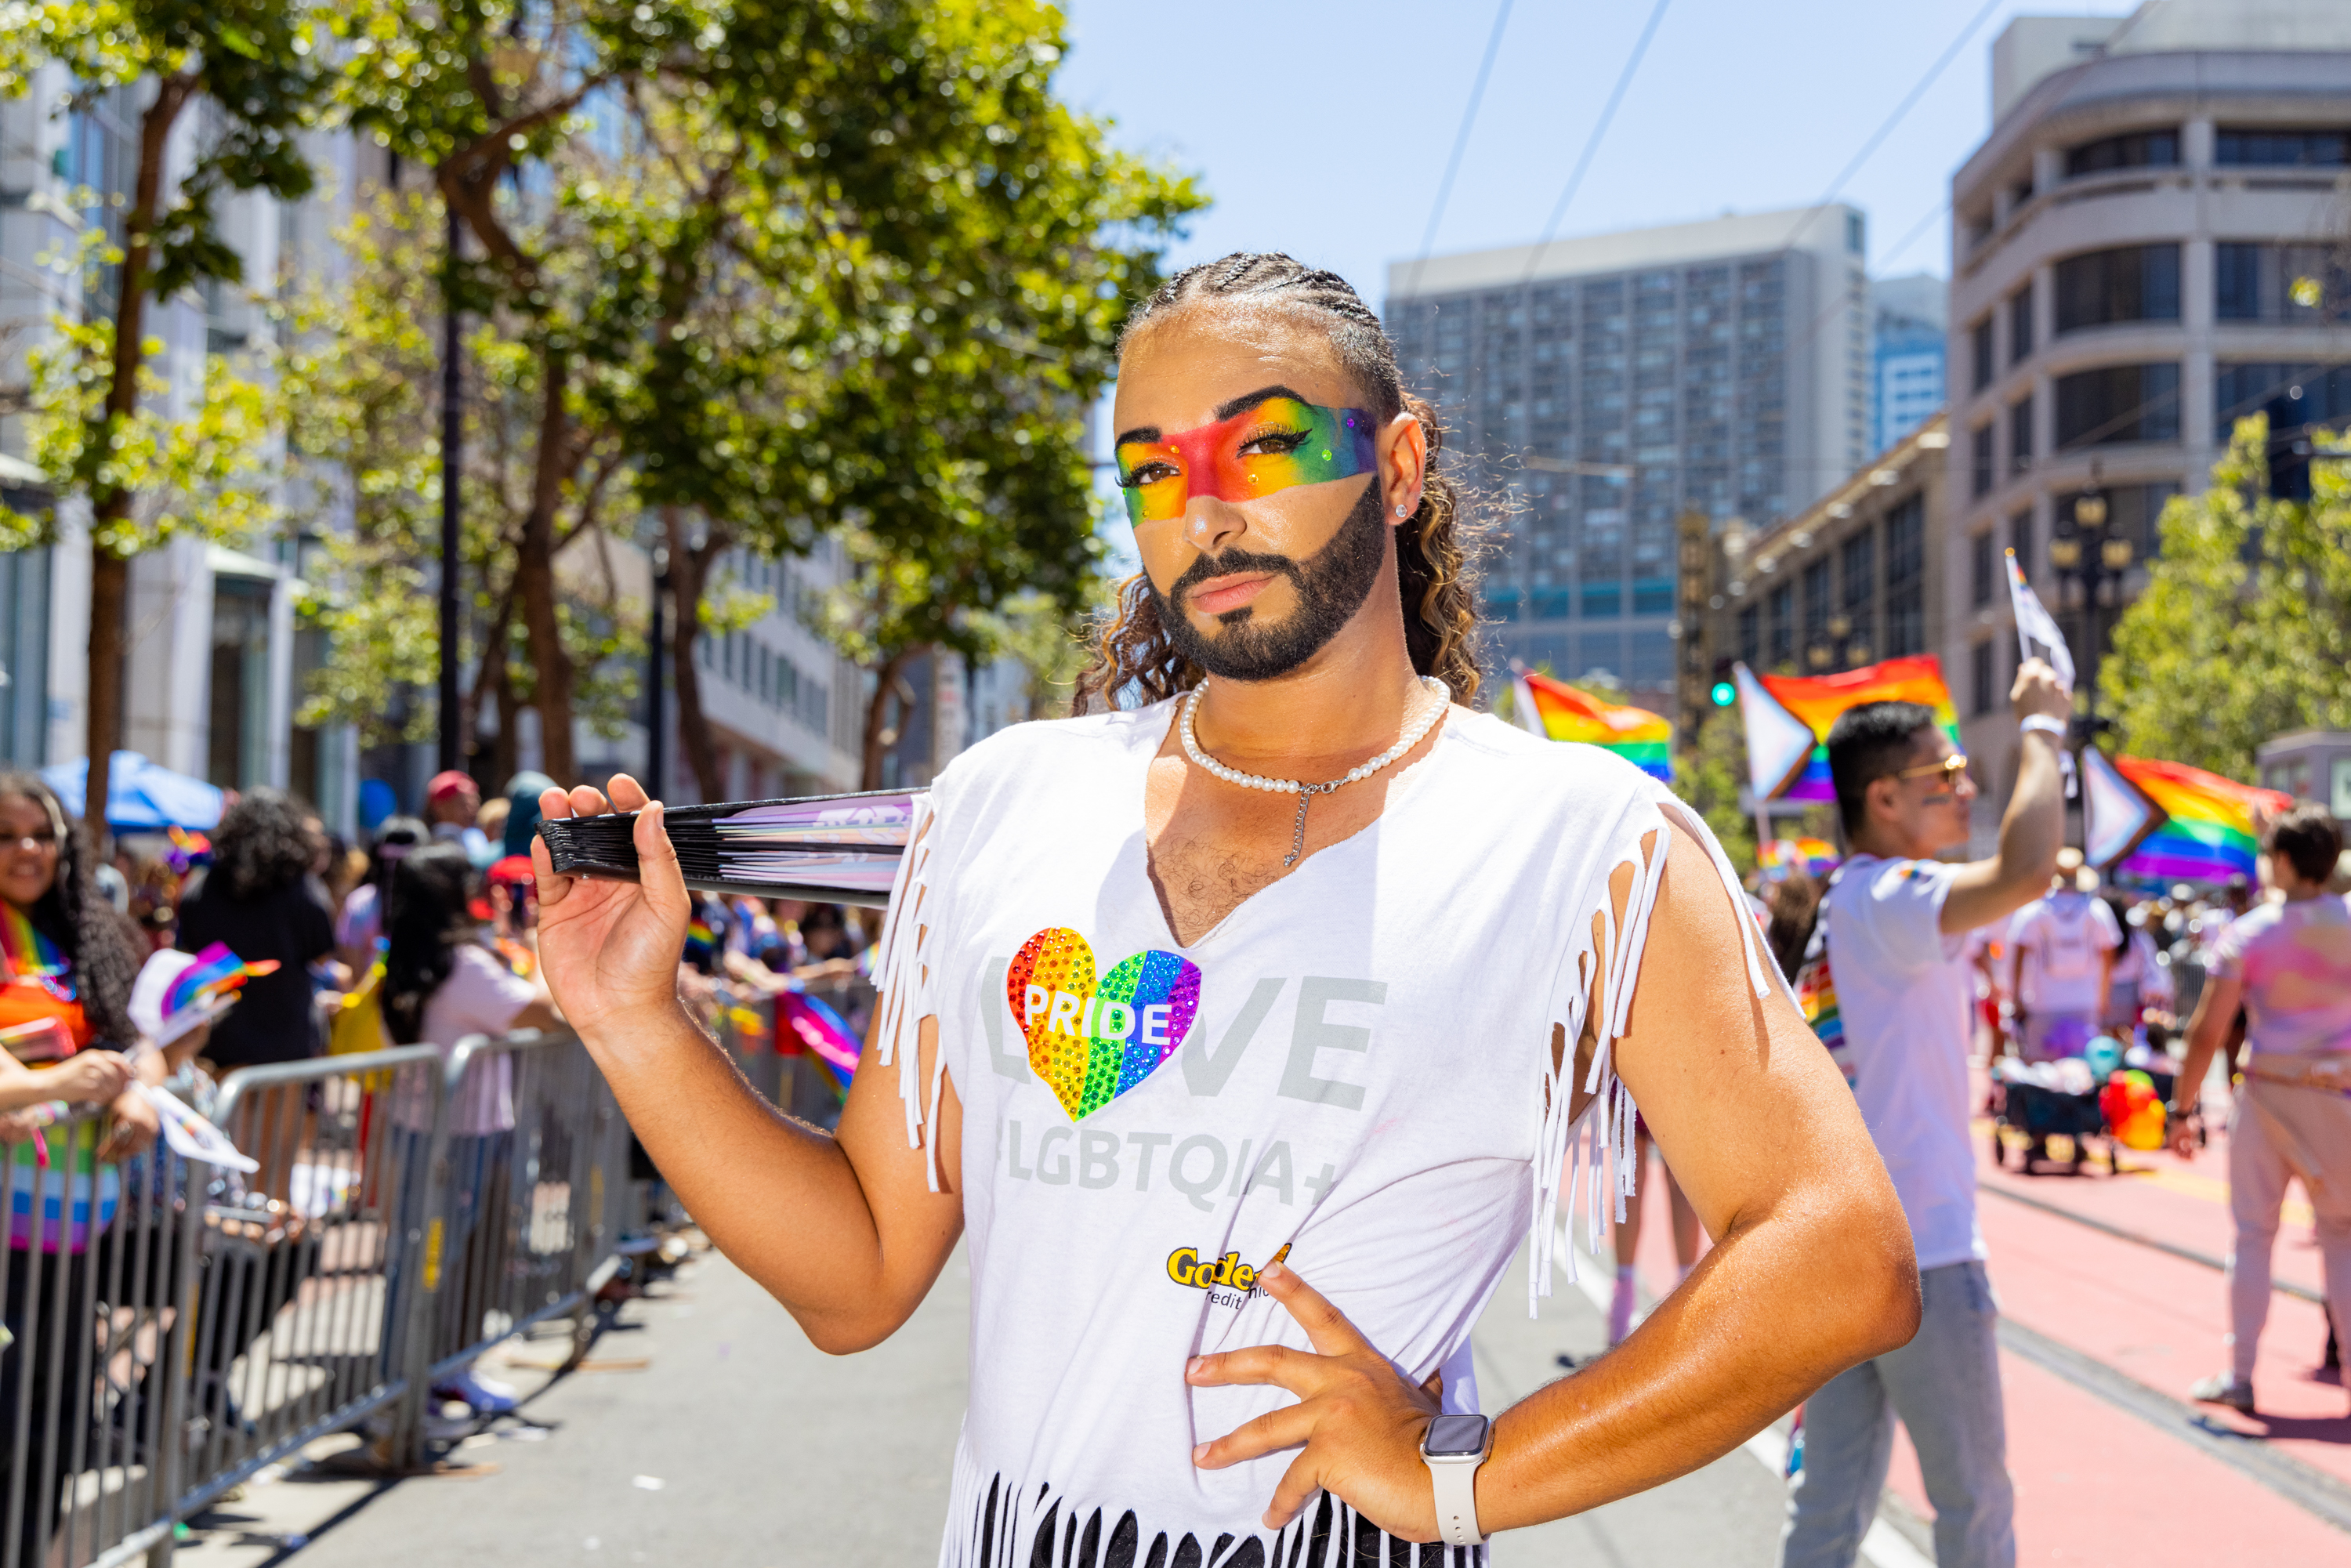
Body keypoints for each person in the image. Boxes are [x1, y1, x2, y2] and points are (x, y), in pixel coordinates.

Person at [532, 253, 1919, 1562]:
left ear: (1396, 465)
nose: (1204, 509)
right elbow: (860, 1275)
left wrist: (1465, 1478)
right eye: (1152, 468)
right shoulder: (1002, 805)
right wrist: (631, 1017)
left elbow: (1837, 1251)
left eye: (1262, 447)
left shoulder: (1583, 845)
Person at [1780, 667, 2069, 1568]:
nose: (1966, 789)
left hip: (1842, 1254)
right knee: (1974, 1508)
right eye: (1947, 776)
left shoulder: (1852, 904)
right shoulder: (1895, 897)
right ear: (1885, 798)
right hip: (1923, 1256)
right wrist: (2043, 730)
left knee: (1827, 1511)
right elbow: (2027, 869)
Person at [0, 771, 160, 1568]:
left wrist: (142, 1097)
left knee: (55, 1420)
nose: (26, 849)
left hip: (72, 1222)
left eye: (40, 833)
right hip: (4, 1231)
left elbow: (144, 1039)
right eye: (6, 835)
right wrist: (52, 1084)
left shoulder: (87, 931)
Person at [2169, 804, 2351, 1416]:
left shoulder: (2249, 933)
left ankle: (2241, 1372)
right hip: (2339, 1099)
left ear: (2280, 861)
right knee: (2343, 1239)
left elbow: (2205, 1031)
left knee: (2252, 1237)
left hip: (2269, 1095)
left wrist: (2181, 1107)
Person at [382, 843, 560, 1416]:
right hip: (461, 1136)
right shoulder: (463, 965)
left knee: (428, 1262)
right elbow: (546, 1013)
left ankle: (424, 1379)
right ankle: (419, 1385)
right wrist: (543, 947)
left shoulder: (413, 959)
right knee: (440, 1263)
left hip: (428, 1128)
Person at [176, 789, 337, 1070]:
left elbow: (188, 953)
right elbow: (322, 955)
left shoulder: (201, 886)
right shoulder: (302, 887)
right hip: (286, 1036)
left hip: (221, 1037)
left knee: (224, 1112)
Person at [2005, 850, 2120, 1063]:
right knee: (2084, 1067)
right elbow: (2108, 957)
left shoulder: (2033, 911)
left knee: (2041, 1065)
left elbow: (2018, 957)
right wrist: (2103, 997)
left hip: (2042, 1001)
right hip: (2084, 1000)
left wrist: (2016, 999)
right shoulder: (2097, 910)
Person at [335, 817, 427, 975]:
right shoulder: (360, 903)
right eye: (389, 861)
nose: (394, 871)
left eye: (402, 864)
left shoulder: (431, 905)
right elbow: (356, 970)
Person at [426, 770, 498, 867]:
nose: (470, 811)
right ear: (440, 807)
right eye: (463, 805)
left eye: (474, 804)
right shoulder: (432, 839)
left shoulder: (476, 836)